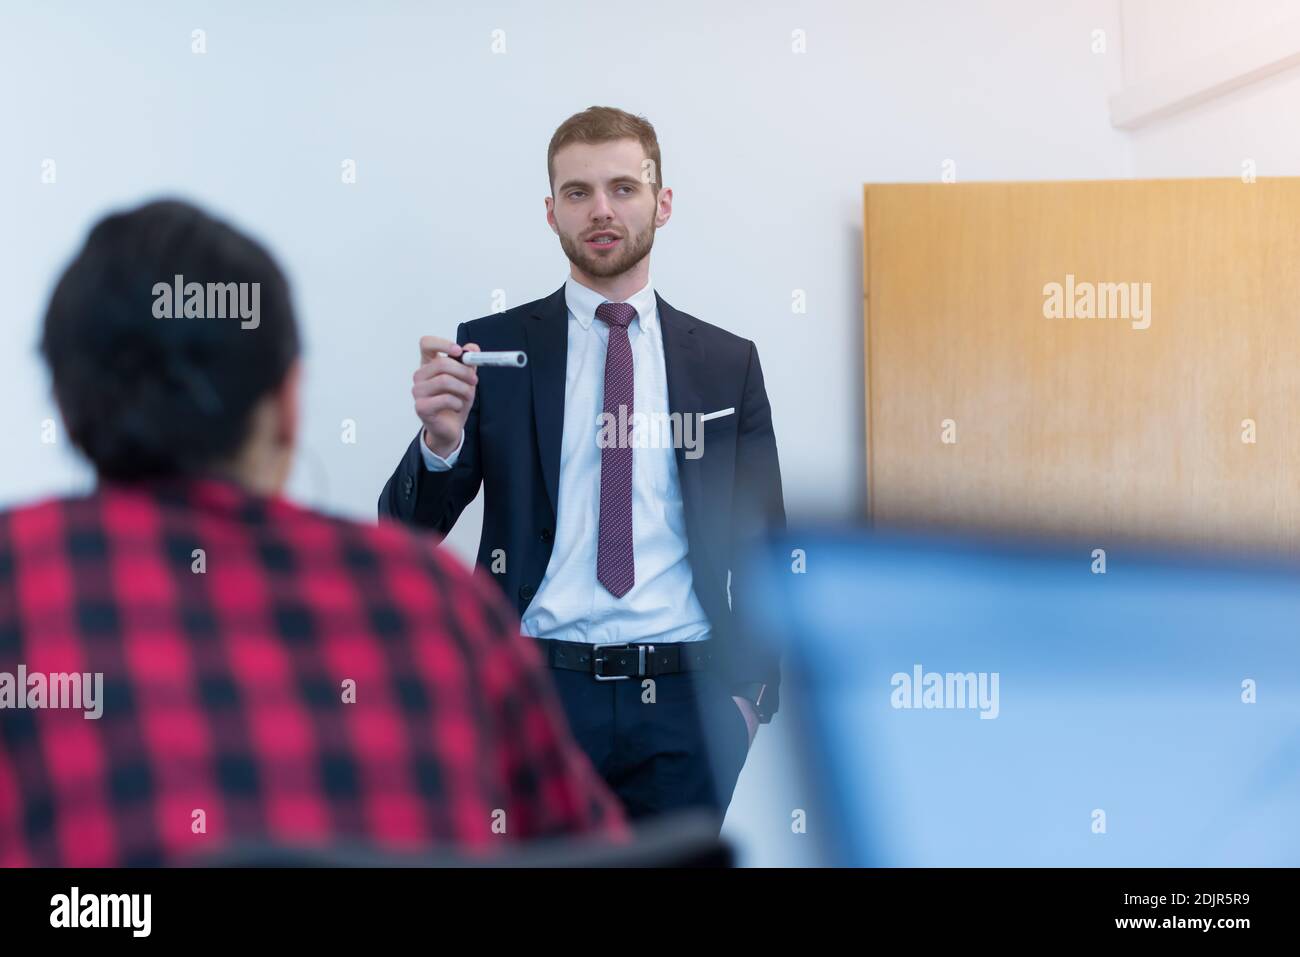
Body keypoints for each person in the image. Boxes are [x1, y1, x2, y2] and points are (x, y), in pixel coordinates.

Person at [0, 199, 627, 867]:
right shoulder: (445, 602)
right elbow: (596, 850)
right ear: (289, 402)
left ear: (65, 408)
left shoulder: (23, 576)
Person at [379, 106, 786, 823]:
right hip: (535, 692)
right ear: (551, 211)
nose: (601, 209)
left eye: (623, 188)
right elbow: (404, 532)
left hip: (687, 703)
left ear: (662, 203)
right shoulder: (492, 348)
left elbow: (771, 545)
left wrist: (748, 701)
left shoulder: (727, 363)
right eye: (578, 192)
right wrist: (439, 445)